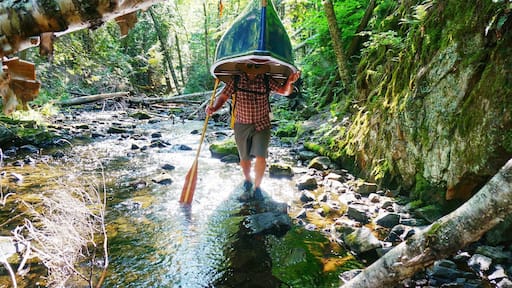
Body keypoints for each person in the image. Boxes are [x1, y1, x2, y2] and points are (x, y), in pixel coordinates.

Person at [206, 63, 300, 200]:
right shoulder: (236, 80)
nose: (253, 69)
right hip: (241, 125)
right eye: (250, 65)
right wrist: (213, 108)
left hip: (262, 125)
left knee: (261, 157)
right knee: (244, 159)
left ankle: (257, 187)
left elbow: (284, 92)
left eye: (257, 66)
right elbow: (224, 96)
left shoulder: (266, 79)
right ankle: (248, 179)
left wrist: (290, 82)